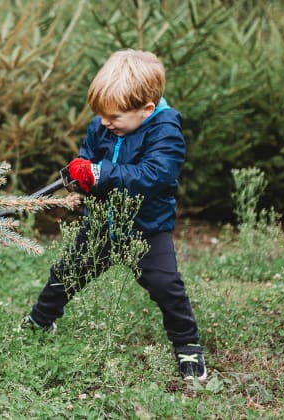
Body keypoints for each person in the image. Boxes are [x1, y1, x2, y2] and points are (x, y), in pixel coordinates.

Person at [19, 49, 206, 380]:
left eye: (115, 117)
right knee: (66, 274)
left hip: (146, 230)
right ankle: (40, 320)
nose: (106, 123)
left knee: (166, 286)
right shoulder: (102, 125)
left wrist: (100, 174)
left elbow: (153, 176)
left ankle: (188, 347)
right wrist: (82, 175)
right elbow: (88, 160)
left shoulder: (165, 131)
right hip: (101, 225)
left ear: (146, 110)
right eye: (102, 116)